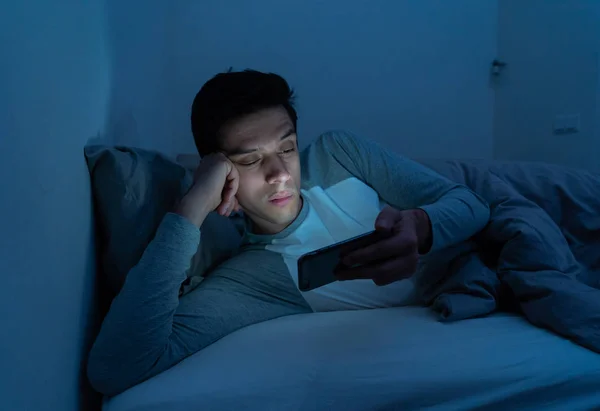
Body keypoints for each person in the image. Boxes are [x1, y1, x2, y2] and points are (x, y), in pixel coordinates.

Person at [87, 69, 490, 397]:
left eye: (286, 148)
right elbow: (116, 368)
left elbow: (471, 203)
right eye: (250, 160)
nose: (279, 173)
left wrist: (421, 225)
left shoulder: (338, 153)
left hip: (477, 260)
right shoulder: (252, 279)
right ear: (221, 172)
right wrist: (192, 207)